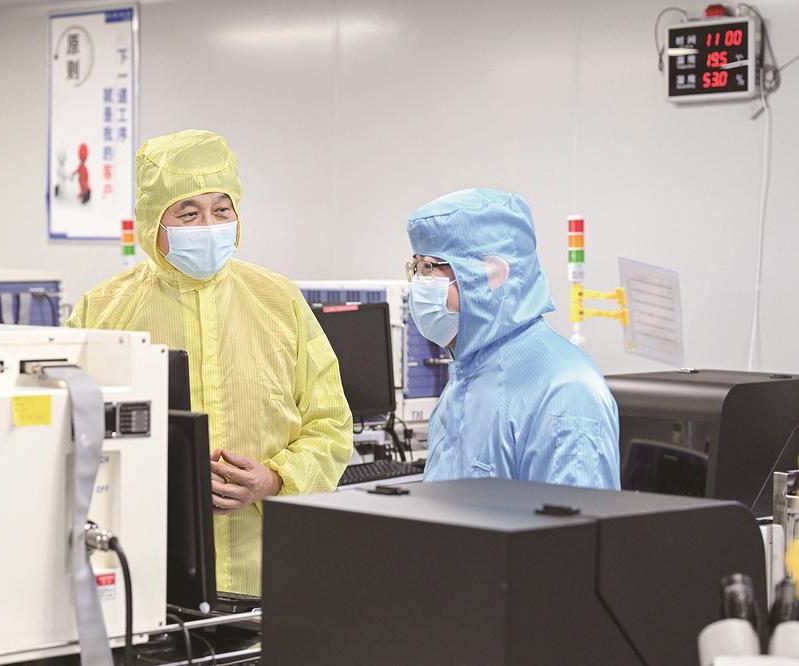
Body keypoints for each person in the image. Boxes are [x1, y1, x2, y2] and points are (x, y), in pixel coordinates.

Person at [67, 129, 353, 595]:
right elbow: (71, 433)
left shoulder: (279, 300)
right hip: (147, 567)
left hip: (269, 566)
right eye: (188, 213)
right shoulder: (102, 311)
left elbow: (331, 424)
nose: (208, 224)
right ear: (152, 222)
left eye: (222, 210)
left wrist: (275, 478)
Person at [405, 187, 620, 489]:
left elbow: (575, 518)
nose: (418, 283)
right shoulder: (466, 378)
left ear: (491, 275)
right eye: (415, 267)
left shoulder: (565, 392)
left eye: (429, 267)